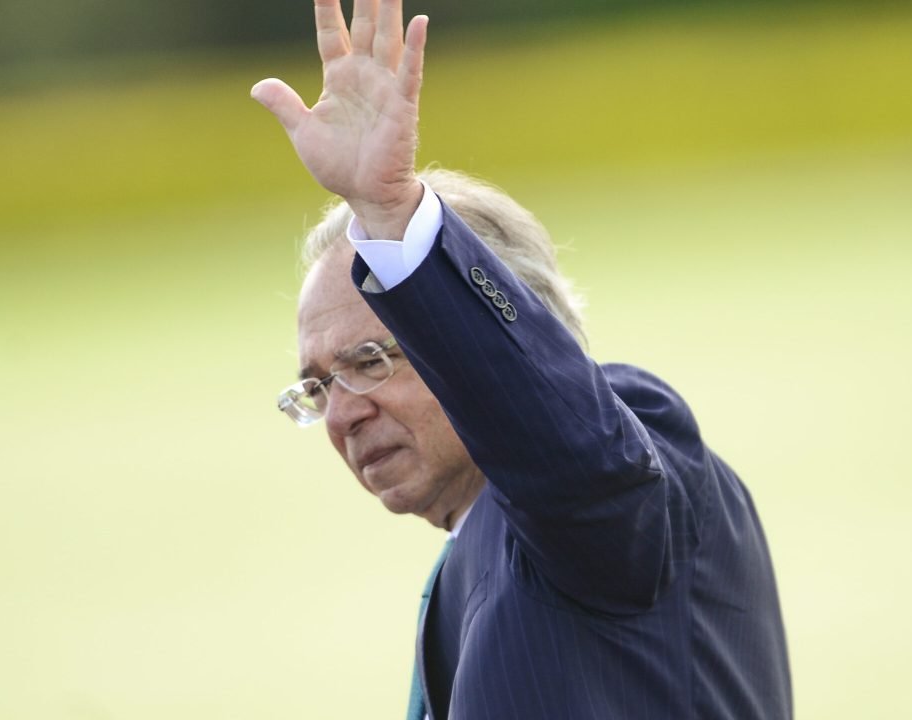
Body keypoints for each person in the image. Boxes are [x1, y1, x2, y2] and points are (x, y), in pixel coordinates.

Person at [251, 2, 792, 718]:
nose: (344, 412)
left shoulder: (624, 466)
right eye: (319, 387)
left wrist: (391, 215)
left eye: (370, 361)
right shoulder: (476, 554)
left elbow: (576, 458)